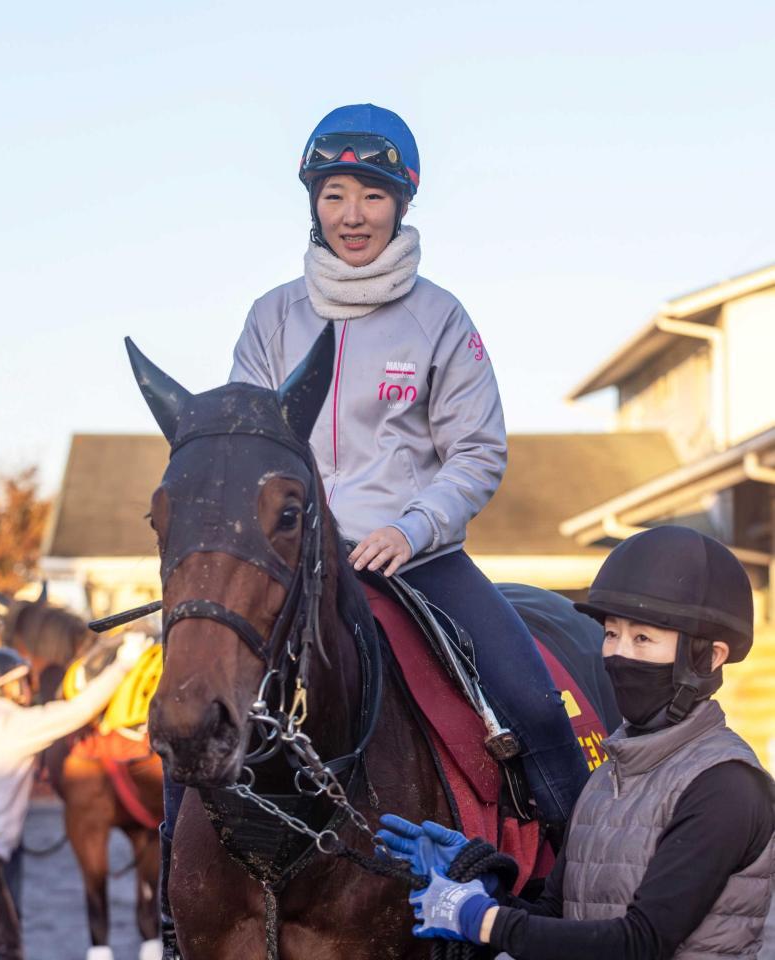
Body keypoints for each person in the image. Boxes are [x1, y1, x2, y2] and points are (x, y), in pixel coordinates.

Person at [156, 101, 589, 960]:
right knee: (187, 715)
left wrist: (413, 523)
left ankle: (567, 890)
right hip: (292, 564)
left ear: (403, 202)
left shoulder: (441, 319)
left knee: (535, 702)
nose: (352, 215)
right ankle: (177, 905)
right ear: (313, 203)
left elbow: (476, 450)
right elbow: (249, 450)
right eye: (334, 194)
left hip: (415, 556)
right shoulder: (271, 317)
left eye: (373, 196)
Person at [380, 525, 775, 959]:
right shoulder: (606, 779)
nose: (619, 654)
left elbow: (639, 942)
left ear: (709, 657)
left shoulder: (726, 788)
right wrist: (480, 884)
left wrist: (482, 920)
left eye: (642, 638)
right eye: (611, 634)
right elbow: (556, 914)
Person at [0, 634, 150, 960]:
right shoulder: (15, 724)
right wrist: (123, 663)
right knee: (7, 949)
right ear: (8, 686)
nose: (29, 690)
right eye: (23, 682)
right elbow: (82, 709)